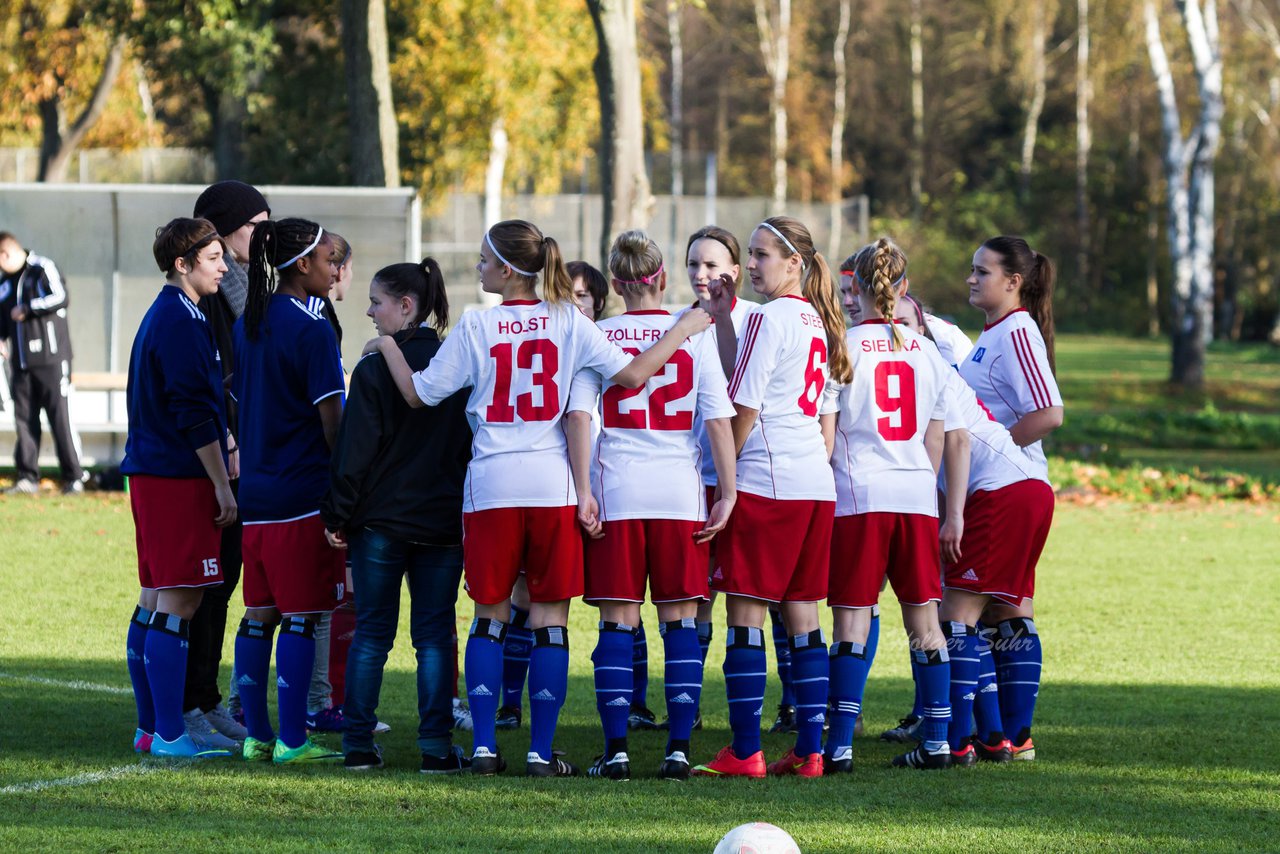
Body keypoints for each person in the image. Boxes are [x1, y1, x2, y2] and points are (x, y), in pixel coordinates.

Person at [366, 218, 711, 777]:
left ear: (508, 270)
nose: (477, 268)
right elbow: (631, 377)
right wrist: (682, 330)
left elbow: (419, 394)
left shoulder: (478, 326)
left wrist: (386, 344)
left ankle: (482, 747)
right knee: (551, 621)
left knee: (489, 618)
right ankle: (540, 752)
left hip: (492, 485)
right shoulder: (569, 321)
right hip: (553, 486)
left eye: (483, 260)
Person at [564, 230, 737, 780]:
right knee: (681, 622)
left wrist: (584, 491)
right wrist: (727, 493)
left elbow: (580, 419)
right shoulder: (694, 334)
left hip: (619, 492)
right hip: (679, 494)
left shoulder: (596, 334)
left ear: (614, 284)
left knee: (617, 623)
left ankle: (615, 751)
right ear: (662, 277)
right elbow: (717, 422)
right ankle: (679, 749)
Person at [690, 216, 849, 779]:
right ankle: (810, 751)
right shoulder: (814, 318)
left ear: (794, 264)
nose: (752, 264)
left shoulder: (771, 316)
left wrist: (726, 483)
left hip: (767, 480)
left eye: (760, 255)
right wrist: (728, 317)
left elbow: (745, 405)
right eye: (750, 254)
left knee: (745, 613)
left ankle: (745, 750)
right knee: (804, 616)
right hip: (814, 483)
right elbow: (755, 373)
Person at [320, 258, 474, 773]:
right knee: (434, 637)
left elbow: (354, 451)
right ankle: (435, 749)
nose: (368, 310)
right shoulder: (461, 362)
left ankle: (358, 745)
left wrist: (337, 513)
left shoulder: (372, 369)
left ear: (406, 306)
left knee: (372, 635)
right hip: (440, 521)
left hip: (381, 525)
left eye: (377, 301)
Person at [823, 238, 960, 771]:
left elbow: (828, 437)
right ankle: (938, 741)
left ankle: (839, 744)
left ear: (854, 287)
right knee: (925, 622)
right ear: (902, 288)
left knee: (852, 622)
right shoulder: (927, 351)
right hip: (915, 497)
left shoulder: (844, 345)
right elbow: (935, 439)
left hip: (860, 498)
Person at [231, 217, 346, 765]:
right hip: (301, 494)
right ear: (302, 265)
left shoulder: (250, 322)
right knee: (302, 616)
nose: (335, 269)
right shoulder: (313, 330)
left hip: (255, 494)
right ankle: (294, 741)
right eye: (329, 260)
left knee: (258, 614)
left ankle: (256, 735)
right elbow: (333, 422)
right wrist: (349, 480)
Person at [121, 218, 237, 758]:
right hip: (175, 476)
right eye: (214, 257)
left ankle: (152, 729)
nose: (223, 266)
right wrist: (221, 483)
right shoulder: (180, 320)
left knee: (154, 599)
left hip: (154, 472)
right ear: (182, 264)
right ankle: (169, 732)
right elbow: (192, 413)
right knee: (180, 600)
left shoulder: (172, 313)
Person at [958, 235, 1063, 761]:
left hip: (1006, 492)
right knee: (1008, 607)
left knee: (960, 612)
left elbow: (1048, 413)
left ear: (1014, 281)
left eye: (983, 271)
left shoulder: (1016, 330)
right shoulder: (994, 332)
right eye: (972, 270)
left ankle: (994, 736)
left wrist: (999, 450)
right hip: (1012, 490)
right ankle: (1015, 737)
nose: (972, 278)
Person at [496, 258, 611, 732]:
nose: (575, 303)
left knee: (617, 601)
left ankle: (636, 706)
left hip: (599, 491)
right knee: (526, 597)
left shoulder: (603, 347)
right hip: (551, 491)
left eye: (584, 296)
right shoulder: (556, 343)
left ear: (599, 304)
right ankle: (508, 704)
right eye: (569, 295)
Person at [181, 180, 270, 749]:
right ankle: (185, 706)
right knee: (196, 588)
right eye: (254, 225)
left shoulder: (247, 285)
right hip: (214, 460)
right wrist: (229, 442)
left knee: (224, 582)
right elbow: (208, 387)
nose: (262, 235)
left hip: (244, 456)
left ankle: (207, 701)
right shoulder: (206, 294)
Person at [679, 226, 757, 731]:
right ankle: (692, 706)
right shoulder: (681, 323)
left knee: (754, 602)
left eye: (711, 265)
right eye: (693, 265)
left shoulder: (755, 320)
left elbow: (739, 397)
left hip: (749, 479)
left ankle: (772, 712)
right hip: (696, 480)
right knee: (699, 598)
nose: (701, 274)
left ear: (735, 269)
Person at [0, 232, 84, 495]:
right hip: (20, 364)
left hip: (51, 359)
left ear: (6, 254)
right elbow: (3, 316)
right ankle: (27, 478)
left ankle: (74, 478)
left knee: (60, 418)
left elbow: (61, 297)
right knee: (24, 419)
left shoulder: (41, 268)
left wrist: (28, 307)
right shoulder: (4, 283)